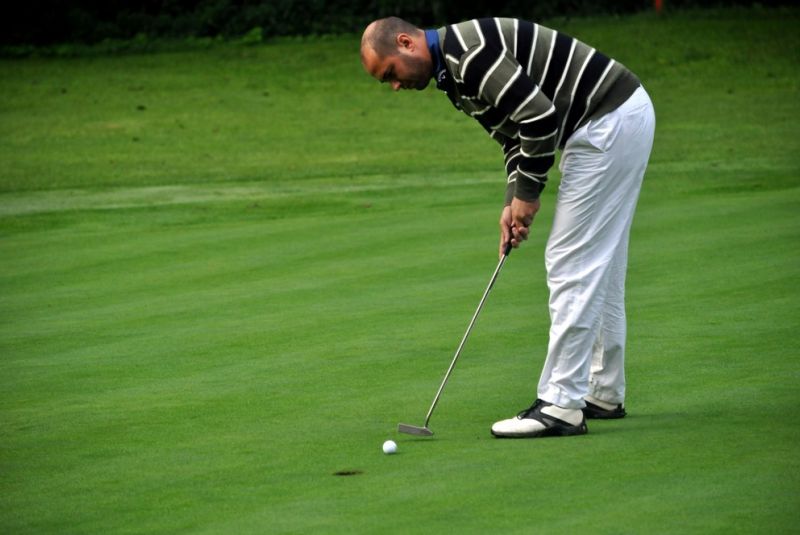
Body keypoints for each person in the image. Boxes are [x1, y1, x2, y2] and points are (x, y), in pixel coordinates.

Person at [360, 16, 655, 438]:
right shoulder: (452, 74)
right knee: (600, 265)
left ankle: (560, 405)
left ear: (406, 42)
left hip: (605, 121)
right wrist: (511, 201)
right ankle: (603, 392)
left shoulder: (470, 56)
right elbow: (514, 136)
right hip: (615, 117)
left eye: (390, 72)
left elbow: (539, 119)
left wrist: (528, 195)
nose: (394, 85)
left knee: (570, 262)